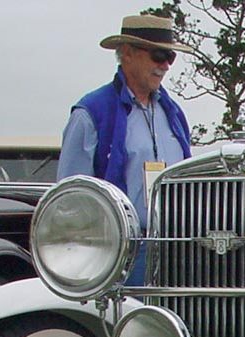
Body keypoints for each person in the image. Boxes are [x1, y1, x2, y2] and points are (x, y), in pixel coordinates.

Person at [57, 14, 193, 285]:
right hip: (121, 255)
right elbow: (71, 198)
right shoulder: (92, 113)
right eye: (158, 55)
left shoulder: (173, 113)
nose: (165, 65)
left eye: (170, 57)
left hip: (177, 251)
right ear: (128, 54)